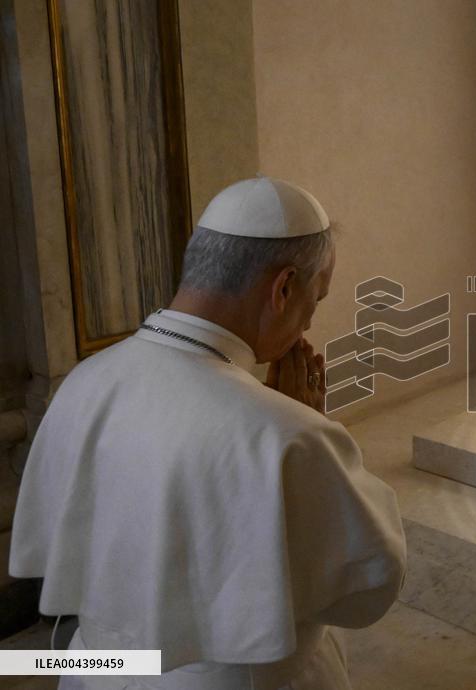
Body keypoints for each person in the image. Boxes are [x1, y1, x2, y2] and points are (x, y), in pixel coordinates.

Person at [7, 176, 407, 689]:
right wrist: (306, 422)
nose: (307, 324)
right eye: (317, 299)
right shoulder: (290, 434)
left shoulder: (86, 380)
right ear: (283, 289)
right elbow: (369, 583)